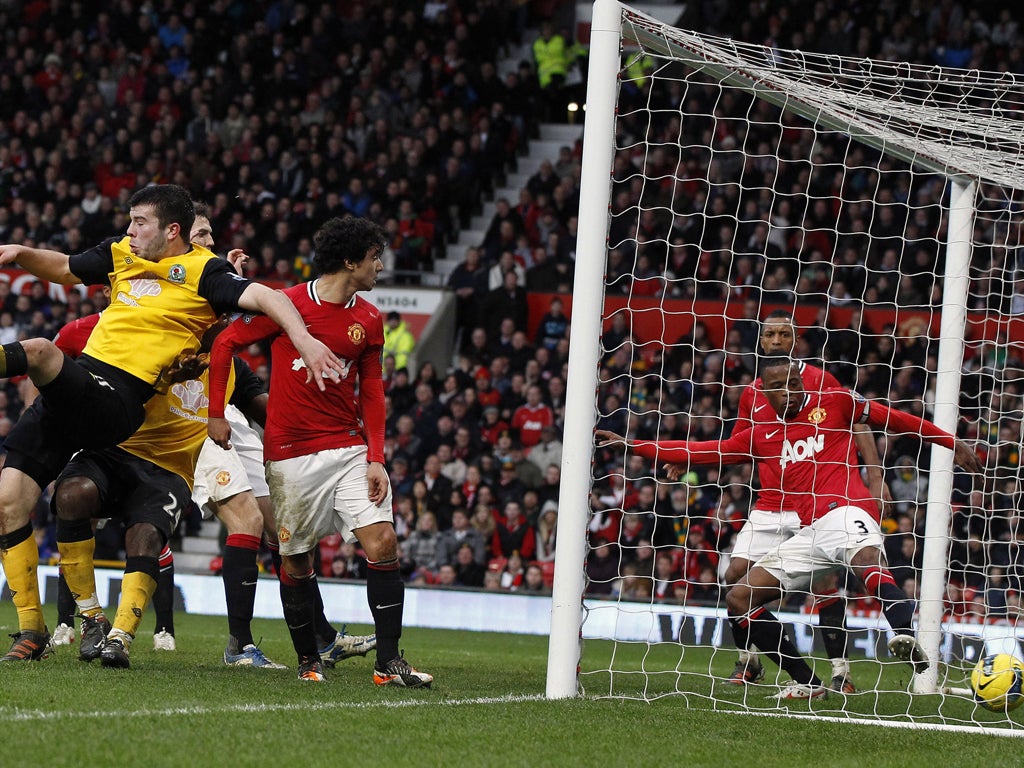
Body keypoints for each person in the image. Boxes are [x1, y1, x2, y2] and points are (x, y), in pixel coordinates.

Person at [0, 184, 343, 662]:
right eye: (130, 221)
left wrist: (303, 340)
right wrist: (19, 253)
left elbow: (268, 298)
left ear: (171, 231)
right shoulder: (121, 255)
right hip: (82, 393)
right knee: (8, 501)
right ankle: (32, 631)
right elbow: (64, 268)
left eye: (139, 222)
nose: (129, 231)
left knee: (37, 351)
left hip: (126, 406)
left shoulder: (204, 272)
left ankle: (242, 638)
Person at [597, 355, 982, 700]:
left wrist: (951, 443)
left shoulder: (836, 402)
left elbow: (896, 419)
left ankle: (904, 632)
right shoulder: (759, 436)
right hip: (808, 532)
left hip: (847, 510)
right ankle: (808, 681)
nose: (789, 392)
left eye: (794, 384)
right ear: (764, 394)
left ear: (802, 384)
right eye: (779, 388)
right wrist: (633, 445)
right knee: (739, 597)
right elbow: (702, 451)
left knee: (867, 561)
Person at [207, 216, 432, 687]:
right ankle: (309, 659)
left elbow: (372, 387)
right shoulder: (284, 304)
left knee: (384, 542)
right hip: (289, 453)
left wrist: (376, 456)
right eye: (375, 257)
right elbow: (226, 342)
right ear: (350, 261)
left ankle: (388, 663)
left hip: (348, 446)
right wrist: (216, 413)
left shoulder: (369, 318)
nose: (381, 266)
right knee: (297, 560)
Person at [188, 204, 376, 669]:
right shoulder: (163, 275)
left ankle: (323, 636)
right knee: (249, 523)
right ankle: (239, 645)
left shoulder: (209, 274)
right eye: (201, 234)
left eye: (211, 234)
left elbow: (229, 336)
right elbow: (218, 338)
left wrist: (229, 289)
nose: (210, 243)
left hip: (230, 400)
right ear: (174, 235)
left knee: (284, 533)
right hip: (184, 407)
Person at [722, 309, 890, 693]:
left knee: (826, 582)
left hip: (812, 500)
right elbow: (737, 444)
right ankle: (749, 663)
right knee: (734, 577)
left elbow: (858, 419)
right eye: (771, 335)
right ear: (761, 342)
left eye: (785, 334)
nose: (778, 341)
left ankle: (840, 671)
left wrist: (875, 477)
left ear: (795, 340)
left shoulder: (819, 379)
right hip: (768, 502)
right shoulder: (752, 392)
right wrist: (675, 464)